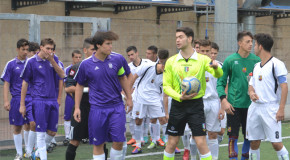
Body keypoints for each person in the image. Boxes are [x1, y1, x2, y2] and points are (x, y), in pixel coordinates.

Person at [163, 27, 223, 160]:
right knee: (172, 142)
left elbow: (218, 74)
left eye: (181, 37)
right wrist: (179, 96)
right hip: (178, 105)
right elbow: (166, 87)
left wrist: (216, 68)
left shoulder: (202, 59)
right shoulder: (171, 61)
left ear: (189, 39)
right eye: (176, 37)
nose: (177, 40)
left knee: (201, 141)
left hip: (196, 105)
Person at [73, 31, 133, 160]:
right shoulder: (86, 64)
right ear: (98, 45)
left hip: (117, 107)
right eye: (108, 44)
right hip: (97, 109)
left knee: (119, 141)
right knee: (98, 143)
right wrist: (77, 107)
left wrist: (129, 98)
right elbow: (79, 86)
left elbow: (123, 78)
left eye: (111, 43)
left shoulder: (118, 59)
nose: (111, 46)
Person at [216, 31, 260, 160]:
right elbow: (221, 83)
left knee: (249, 137)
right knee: (232, 137)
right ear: (239, 43)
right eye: (247, 41)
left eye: (252, 42)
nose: (251, 44)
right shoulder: (230, 60)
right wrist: (223, 100)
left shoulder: (256, 61)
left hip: (252, 106)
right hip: (233, 106)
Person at [20, 38, 65, 160]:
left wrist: (52, 61)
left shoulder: (54, 59)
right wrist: (22, 104)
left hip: (52, 100)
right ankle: (41, 156)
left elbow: (62, 75)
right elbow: (25, 83)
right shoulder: (31, 62)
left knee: (52, 132)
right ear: (41, 48)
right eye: (47, 48)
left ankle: (37, 153)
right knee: (40, 133)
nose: (49, 51)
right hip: (38, 100)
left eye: (52, 49)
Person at [247, 33, 289, 160]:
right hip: (254, 108)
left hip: (270, 108)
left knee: (276, 143)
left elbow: (284, 86)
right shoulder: (256, 66)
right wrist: (252, 93)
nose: (253, 47)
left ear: (260, 46)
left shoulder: (277, 64)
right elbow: (251, 85)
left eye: (255, 44)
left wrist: (281, 108)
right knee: (254, 142)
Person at [131, 49, 169, 154]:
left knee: (163, 120)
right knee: (138, 120)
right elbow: (134, 77)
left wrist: (166, 112)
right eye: (165, 68)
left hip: (155, 99)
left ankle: (170, 144)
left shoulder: (167, 74)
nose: (166, 70)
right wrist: (129, 95)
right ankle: (138, 145)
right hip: (140, 98)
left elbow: (165, 93)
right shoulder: (148, 66)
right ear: (161, 64)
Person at [65, 37, 96, 160]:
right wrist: (87, 90)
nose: (95, 52)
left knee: (100, 141)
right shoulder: (77, 67)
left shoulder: (102, 65)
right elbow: (68, 88)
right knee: (74, 141)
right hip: (81, 108)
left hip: (97, 108)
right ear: (85, 50)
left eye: (96, 49)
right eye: (92, 49)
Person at [1, 38, 30, 160]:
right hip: (17, 99)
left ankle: (28, 151)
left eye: (27, 50)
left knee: (30, 124)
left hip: (30, 99)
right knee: (17, 127)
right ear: (18, 49)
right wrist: (6, 101)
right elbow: (6, 83)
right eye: (23, 49)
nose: (25, 52)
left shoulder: (31, 63)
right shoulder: (10, 64)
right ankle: (19, 153)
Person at [197, 39, 223, 160]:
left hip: (214, 102)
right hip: (198, 102)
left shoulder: (218, 66)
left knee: (213, 134)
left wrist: (222, 107)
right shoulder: (193, 66)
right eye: (202, 51)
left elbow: (223, 87)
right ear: (198, 51)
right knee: (198, 135)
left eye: (208, 51)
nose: (205, 53)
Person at [126, 46, 151, 146]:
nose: (131, 57)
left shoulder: (147, 63)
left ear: (137, 53)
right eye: (128, 55)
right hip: (133, 95)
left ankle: (144, 136)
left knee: (145, 116)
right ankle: (134, 137)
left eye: (132, 54)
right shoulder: (128, 66)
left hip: (146, 93)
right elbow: (127, 81)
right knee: (132, 116)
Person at [63, 50, 82, 146]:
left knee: (80, 115)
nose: (78, 59)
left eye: (79, 57)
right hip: (70, 97)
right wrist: (73, 95)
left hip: (81, 97)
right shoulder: (68, 69)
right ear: (72, 58)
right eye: (76, 57)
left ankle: (81, 135)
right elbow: (65, 84)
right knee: (67, 117)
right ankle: (67, 137)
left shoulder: (83, 68)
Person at [211, 42, 226, 144]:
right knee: (208, 132)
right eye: (211, 53)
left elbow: (226, 86)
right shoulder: (202, 65)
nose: (213, 55)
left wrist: (223, 105)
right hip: (206, 102)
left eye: (215, 53)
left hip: (218, 101)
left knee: (221, 131)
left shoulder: (221, 66)